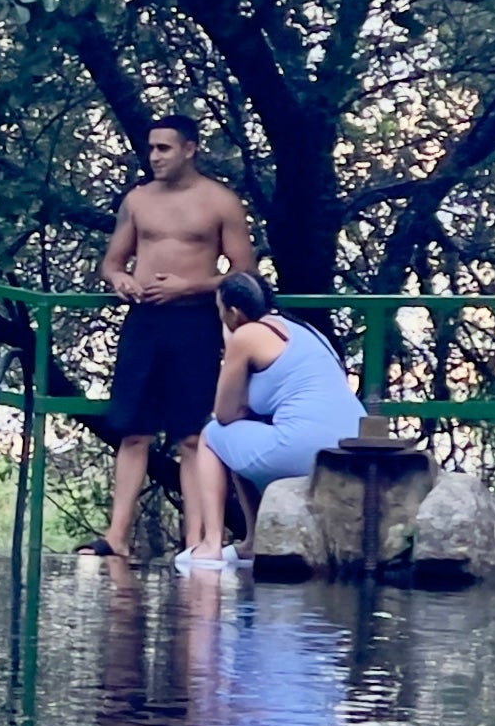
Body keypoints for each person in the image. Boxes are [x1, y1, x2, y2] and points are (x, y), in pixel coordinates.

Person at [92, 122, 258, 563]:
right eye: (151, 149)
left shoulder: (219, 201)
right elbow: (111, 263)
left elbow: (246, 273)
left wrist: (189, 287)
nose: (156, 156)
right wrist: (121, 278)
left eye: (165, 148)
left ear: (190, 149)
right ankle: (116, 537)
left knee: (191, 435)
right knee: (132, 431)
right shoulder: (138, 201)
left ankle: (198, 542)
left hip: (195, 321)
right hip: (145, 320)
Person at [181, 268, 365, 568]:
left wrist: (232, 337)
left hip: (306, 447)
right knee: (240, 439)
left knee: (211, 436)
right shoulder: (306, 330)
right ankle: (254, 542)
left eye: (220, 311)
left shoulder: (246, 335)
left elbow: (225, 414)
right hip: (353, 445)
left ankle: (210, 544)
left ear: (234, 312)